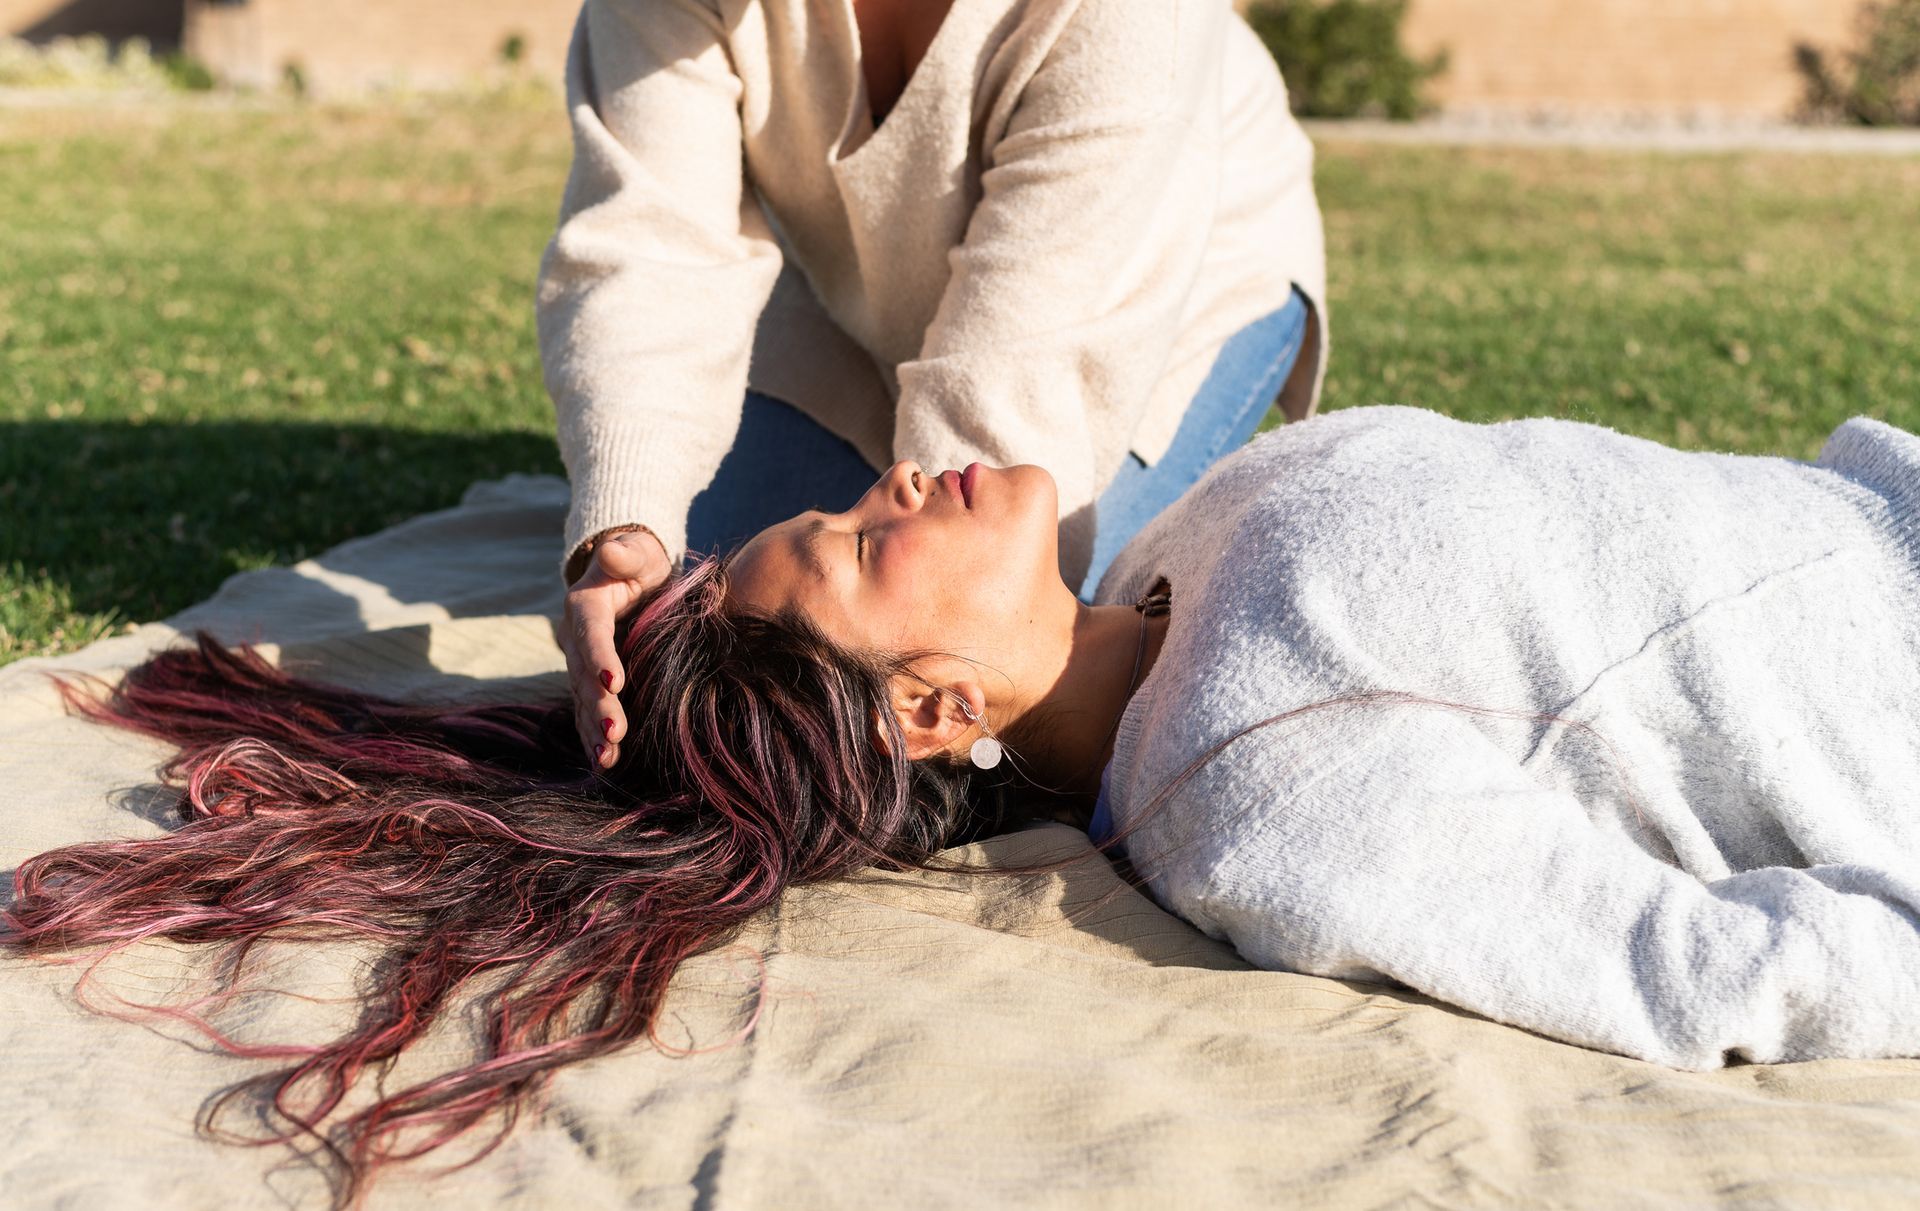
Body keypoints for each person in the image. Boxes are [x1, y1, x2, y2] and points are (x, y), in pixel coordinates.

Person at [18, 405, 1920, 1205]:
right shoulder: (1265, 790)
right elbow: (1693, 973)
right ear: (930, 712)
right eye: (851, 545)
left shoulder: (1191, 532)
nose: (894, 478)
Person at [538, 0, 1329, 776]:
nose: (897, 481)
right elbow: (655, 244)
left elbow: (1026, 369)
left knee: (1028, 646)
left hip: (1169, 274)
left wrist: (940, 635)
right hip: (855, 291)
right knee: (744, 632)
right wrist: (630, 514)